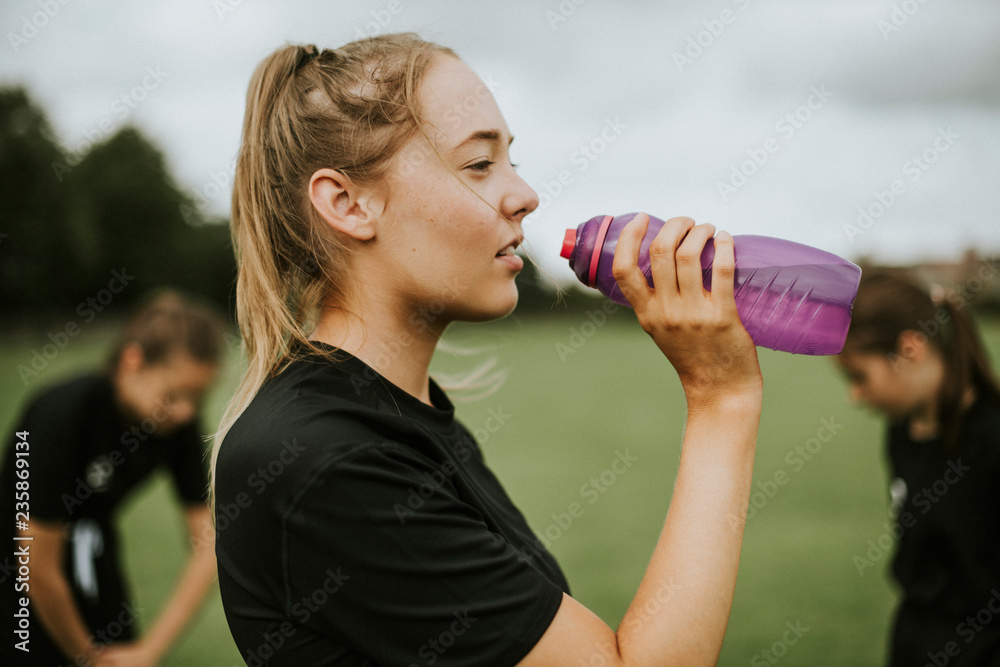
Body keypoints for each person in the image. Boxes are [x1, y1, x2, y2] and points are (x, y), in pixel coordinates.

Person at [212, 33, 763, 666]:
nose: (524, 195)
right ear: (347, 204)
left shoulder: (398, 415)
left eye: (512, 160)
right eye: (479, 164)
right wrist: (722, 398)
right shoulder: (328, 461)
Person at [0, 290, 226, 667]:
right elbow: (36, 570)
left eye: (197, 398)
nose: (186, 412)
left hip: (94, 547)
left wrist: (149, 651)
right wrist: (87, 658)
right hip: (19, 560)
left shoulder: (178, 425)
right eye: (172, 395)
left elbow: (208, 547)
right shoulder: (57, 416)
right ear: (132, 362)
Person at [837, 271, 1000, 665]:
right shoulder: (902, 430)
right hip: (913, 642)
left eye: (860, 376)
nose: (855, 397)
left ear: (910, 349)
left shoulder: (992, 441)